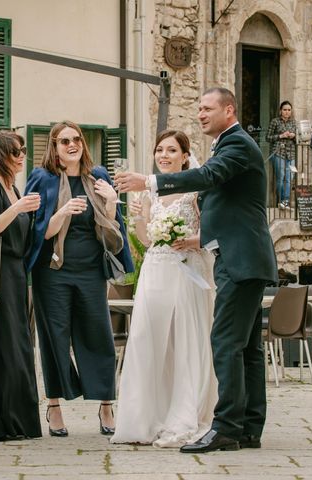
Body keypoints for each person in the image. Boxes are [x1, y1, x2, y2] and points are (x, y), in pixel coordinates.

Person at [115, 88, 278, 453]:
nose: (200, 114)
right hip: (241, 257)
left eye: (207, 108)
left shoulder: (237, 145)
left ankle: (226, 427)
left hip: (240, 259)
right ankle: (249, 427)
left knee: (225, 342)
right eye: (199, 108)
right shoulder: (230, 144)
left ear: (229, 109)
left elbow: (207, 176)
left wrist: (151, 181)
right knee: (247, 347)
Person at [24, 121, 133, 437]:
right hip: (53, 272)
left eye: (76, 139)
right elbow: (37, 232)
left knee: (99, 335)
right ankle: (54, 405)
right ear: (54, 148)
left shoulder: (96, 176)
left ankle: (106, 404)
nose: (71, 144)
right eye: (64, 141)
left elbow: (113, 231)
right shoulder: (42, 178)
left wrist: (112, 201)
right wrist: (62, 212)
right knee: (54, 337)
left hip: (91, 272)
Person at [110, 130, 217, 447]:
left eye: (171, 150)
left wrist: (191, 241)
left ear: (186, 156)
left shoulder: (195, 192)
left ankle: (183, 413)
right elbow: (145, 241)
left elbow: (211, 231)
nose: (164, 155)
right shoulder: (149, 194)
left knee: (182, 341)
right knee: (147, 339)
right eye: (159, 150)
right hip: (154, 271)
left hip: (185, 271)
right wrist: (141, 218)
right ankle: (144, 417)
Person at [0, 131, 42, 441]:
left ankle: (18, 424)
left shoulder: (13, 187)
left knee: (22, 348)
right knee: (6, 349)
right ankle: (3, 424)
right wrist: (18, 208)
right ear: (2, 155)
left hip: (16, 273)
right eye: (15, 152)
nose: (21, 156)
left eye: (23, 151)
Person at [266, 101, 297, 210]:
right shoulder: (275, 122)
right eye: (285, 110)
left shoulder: (293, 123)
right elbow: (268, 137)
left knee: (289, 178)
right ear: (280, 111)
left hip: (291, 153)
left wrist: (293, 136)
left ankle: (286, 202)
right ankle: (281, 200)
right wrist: (281, 135)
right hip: (278, 152)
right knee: (281, 177)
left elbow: (299, 139)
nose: (287, 112)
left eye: (289, 110)